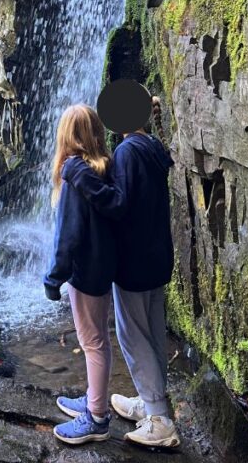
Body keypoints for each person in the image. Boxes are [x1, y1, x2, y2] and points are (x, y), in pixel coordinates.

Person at [97, 89, 181, 448]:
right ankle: (151, 403)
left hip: (134, 259)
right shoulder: (153, 147)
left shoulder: (127, 152)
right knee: (152, 331)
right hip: (157, 255)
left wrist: (85, 182)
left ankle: (159, 418)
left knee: (132, 335)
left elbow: (119, 206)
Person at [42, 104, 122, 445]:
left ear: (66, 136)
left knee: (93, 343)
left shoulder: (74, 178)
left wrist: (53, 278)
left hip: (85, 272)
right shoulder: (104, 170)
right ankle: (92, 399)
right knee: (98, 340)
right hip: (103, 267)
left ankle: (97, 418)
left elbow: (68, 236)